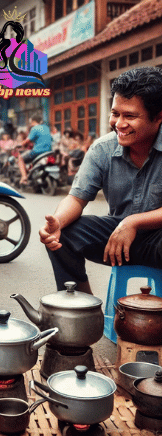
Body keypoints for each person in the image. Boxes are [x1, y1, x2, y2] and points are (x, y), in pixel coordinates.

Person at [40, 67, 162, 294]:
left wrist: (133, 222)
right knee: (63, 236)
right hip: (115, 238)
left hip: (157, 237)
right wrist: (58, 221)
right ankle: (83, 315)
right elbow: (76, 198)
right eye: (115, 113)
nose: (119, 123)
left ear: (158, 117)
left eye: (130, 116)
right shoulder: (102, 149)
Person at [18, 115, 53, 185]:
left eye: (31, 122)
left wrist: (20, 144)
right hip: (49, 152)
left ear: (33, 121)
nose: (30, 124)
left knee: (20, 158)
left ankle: (24, 177)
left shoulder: (35, 128)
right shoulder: (46, 128)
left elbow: (27, 140)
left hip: (38, 152)